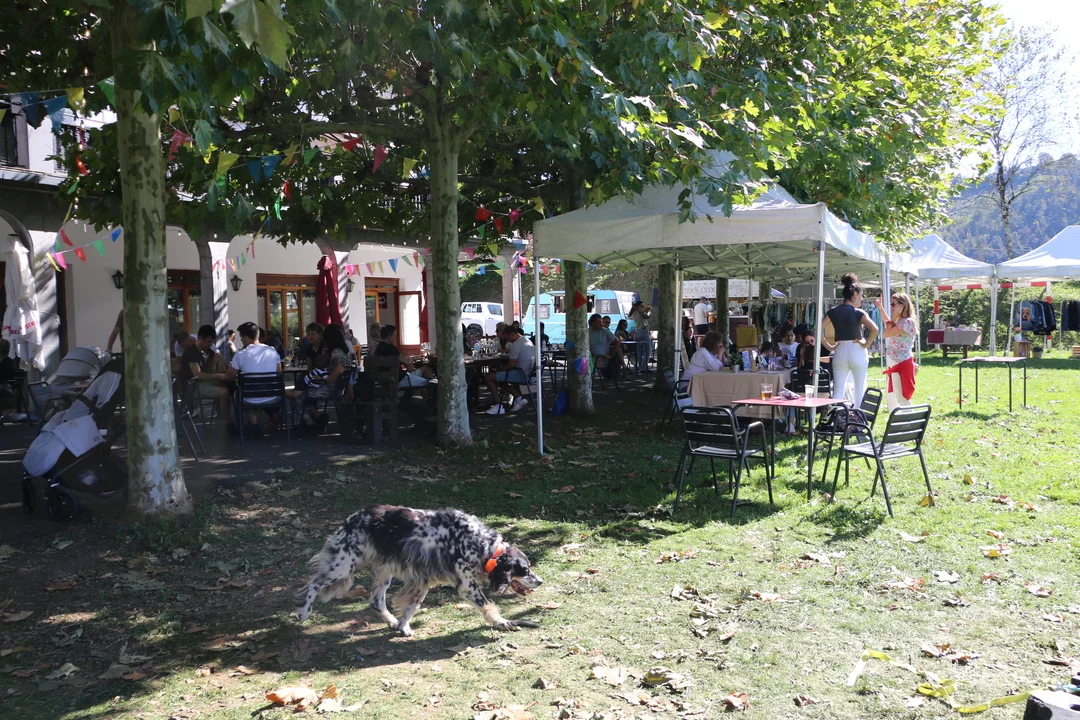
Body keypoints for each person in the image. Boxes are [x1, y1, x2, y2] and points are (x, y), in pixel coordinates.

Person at [822, 273, 878, 405]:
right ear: (854, 295)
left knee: (838, 390)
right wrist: (865, 344)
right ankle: (857, 416)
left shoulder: (833, 311)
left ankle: (837, 415)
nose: (862, 299)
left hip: (840, 351)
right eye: (861, 295)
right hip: (857, 351)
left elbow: (816, 330)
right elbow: (875, 329)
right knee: (859, 390)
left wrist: (829, 346)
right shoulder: (859, 312)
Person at [288, 324, 351, 432]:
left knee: (297, 397)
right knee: (300, 394)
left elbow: (339, 369)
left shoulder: (335, 352)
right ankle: (317, 419)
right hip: (337, 388)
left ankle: (309, 424)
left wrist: (326, 379)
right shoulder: (341, 351)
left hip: (331, 389)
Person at [225, 321, 284, 437]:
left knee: (241, 393)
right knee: (257, 391)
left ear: (246, 337)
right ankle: (255, 424)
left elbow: (229, 376)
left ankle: (254, 424)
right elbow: (279, 373)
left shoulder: (240, 355)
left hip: (250, 396)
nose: (241, 340)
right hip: (272, 396)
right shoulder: (272, 350)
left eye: (241, 337)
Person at [178, 324, 231, 424]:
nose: (211, 344)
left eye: (212, 342)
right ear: (201, 338)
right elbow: (198, 374)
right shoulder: (191, 352)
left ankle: (223, 413)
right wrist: (219, 375)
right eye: (208, 342)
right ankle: (227, 422)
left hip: (205, 382)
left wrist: (218, 362)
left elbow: (214, 370)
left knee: (228, 386)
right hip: (193, 386)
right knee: (224, 392)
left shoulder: (208, 351)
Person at [878, 293, 918, 412]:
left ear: (902, 305)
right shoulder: (900, 321)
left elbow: (886, 333)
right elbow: (888, 324)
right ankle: (898, 418)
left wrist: (894, 316)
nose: (891, 307)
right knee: (894, 395)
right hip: (896, 361)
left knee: (902, 397)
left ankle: (910, 420)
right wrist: (881, 308)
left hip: (901, 363)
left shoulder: (907, 322)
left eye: (893, 304)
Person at [484, 325, 535, 414]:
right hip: (529, 373)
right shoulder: (527, 341)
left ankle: (498, 406)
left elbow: (511, 364)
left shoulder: (516, 345)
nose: (508, 341)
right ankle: (519, 398)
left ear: (512, 334)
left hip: (520, 373)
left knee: (488, 377)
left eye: (508, 338)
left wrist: (499, 370)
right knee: (499, 378)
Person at [589, 313, 621, 379]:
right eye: (598, 322)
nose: (601, 324)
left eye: (601, 322)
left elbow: (617, 342)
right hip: (591, 357)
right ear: (592, 323)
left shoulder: (605, 331)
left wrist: (611, 354)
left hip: (603, 358)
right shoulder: (587, 332)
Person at [628, 299, 652, 374]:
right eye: (642, 306)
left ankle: (640, 366)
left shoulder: (634, 313)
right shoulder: (640, 312)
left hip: (637, 331)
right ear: (638, 307)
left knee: (639, 351)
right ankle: (644, 368)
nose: (643, 307)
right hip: (643, 331)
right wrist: (649, 311)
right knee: (647, 350)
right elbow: (647, 317)